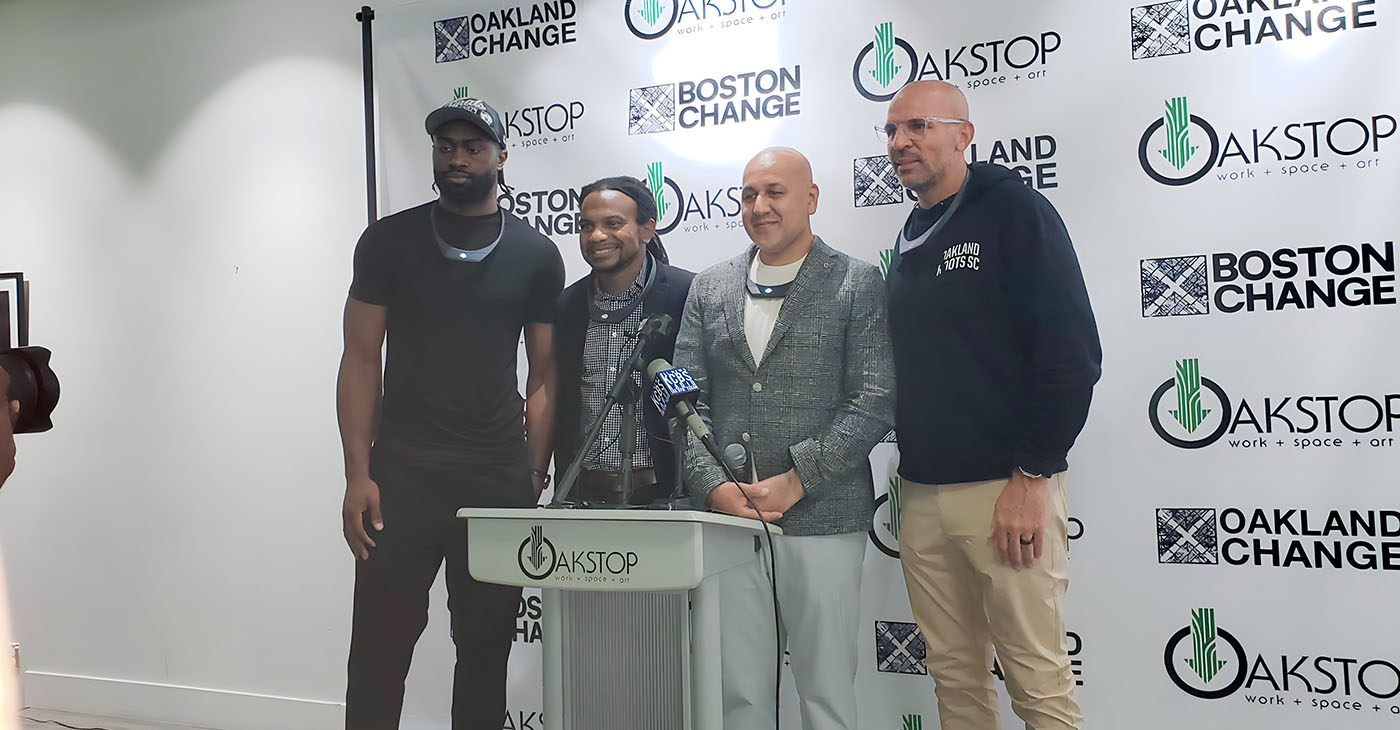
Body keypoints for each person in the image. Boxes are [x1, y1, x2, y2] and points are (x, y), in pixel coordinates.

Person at [336, 97, 564, 730]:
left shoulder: (536, 254)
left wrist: (532, 475)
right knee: (379, 649)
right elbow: (360, 360)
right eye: (446, 147)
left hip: (494, 480)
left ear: (501, 157)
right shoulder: (387, 241)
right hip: (401, 476)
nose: (457, 158)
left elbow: (544, 375)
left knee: (486, 651)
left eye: (473, 147)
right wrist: (359, 474)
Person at [881, 80, 1101, 730]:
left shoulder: (1014, 211)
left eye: (918, 127)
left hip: (1006, 490)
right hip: (921, 494)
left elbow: (1071, 356)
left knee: (1037, 682)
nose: (900, 144)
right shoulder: (915, 229)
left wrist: (1031, 478)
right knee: (955, 679)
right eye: (891, 132)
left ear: (963, 135)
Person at [674, 147, 895, 730]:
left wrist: (799, 479)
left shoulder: (856, 280)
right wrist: (716, 488)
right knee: (739, 690)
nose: (759, 206)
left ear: (812, 199)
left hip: (823, 514)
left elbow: (874, 397)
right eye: (748, 194)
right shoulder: (710, 286)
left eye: (774, 191)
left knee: (825, 689)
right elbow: (680, 398)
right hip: (730, 521)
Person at [552, 176, 694, 504]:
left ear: (647, 229)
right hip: (580, 494)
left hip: (662, 495)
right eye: (586, 226)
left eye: (613, 224)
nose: (597, 236)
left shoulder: (687, 294)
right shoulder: (568, 305)